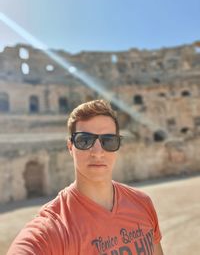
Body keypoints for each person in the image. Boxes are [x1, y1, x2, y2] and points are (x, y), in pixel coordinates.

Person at [7, 99, 164, 255]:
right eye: (85, 140)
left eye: (108, 141)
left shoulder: (142, 203)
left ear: (117, 146)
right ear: (70, 147)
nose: (97, 152)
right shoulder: (53, 227)